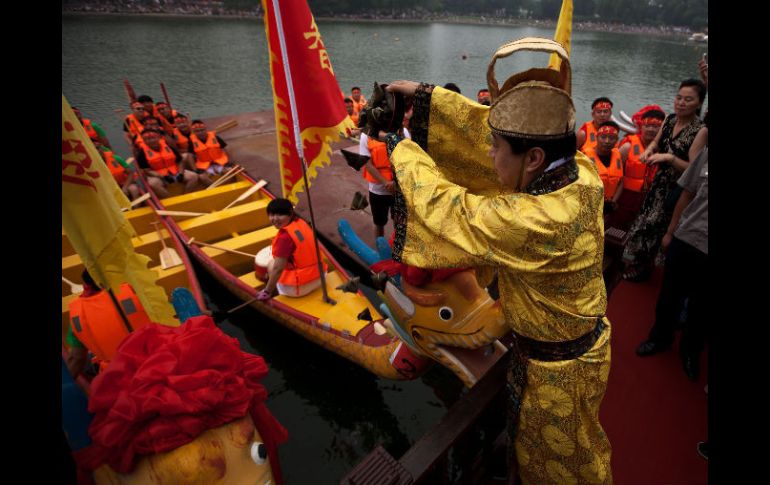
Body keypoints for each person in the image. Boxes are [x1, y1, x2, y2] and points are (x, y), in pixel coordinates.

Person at [381, 38, 612, 484]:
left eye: (496, 148)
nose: (487, 154)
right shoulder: (581, 172)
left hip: (555, 375)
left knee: (559, 468)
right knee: (578, 446)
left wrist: (402, 147)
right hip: (583, 348)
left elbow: (446, 210)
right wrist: (427, 95)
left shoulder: (535, 221)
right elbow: (486, 127)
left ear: (535, 158)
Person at [636, 114, 708, 382]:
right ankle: (659, 338)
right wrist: (670, 232)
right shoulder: (706, 155)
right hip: (688, 236)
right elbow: (687, 192)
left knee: (703, 307)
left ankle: (691, 353)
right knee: (670, 294)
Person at [621, 79, 707, 281]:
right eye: (679, 98)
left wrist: (669, 158)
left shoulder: (700, 130)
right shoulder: (669, 119)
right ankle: (639, 263)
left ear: (699, 103)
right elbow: (656, 142)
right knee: (644, 223)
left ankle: (646, 269)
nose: (681, 103)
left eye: (688, 99)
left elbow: (695, 171)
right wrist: (649, 151)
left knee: (659, 229)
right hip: (657, 184)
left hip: (677, 189)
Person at [65, 269, 152, 378]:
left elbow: (76, 358)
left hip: (117, 377)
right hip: (155, 362)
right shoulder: (134, 291)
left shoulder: (77, 314)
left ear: (86, 284)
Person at [256, 198, 327, 300]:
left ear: (290, 213)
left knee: (272, 264)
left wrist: (267, 291)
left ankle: (273, 291)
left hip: (299, 289)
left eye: (280, 215)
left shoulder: (284, 238)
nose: (275, 219)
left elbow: (278, 269)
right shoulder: (301, 222)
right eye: (271, 215)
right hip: (321, 277)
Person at [615, 107, 666, 230]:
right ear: (641, 126)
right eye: (647, 125)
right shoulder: (627, 146)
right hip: (625, 197)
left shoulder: (665, 149)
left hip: (650, 198)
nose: (651, 129)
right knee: (617, 229)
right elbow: (615, 174)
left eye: (656, 126)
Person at [359, 124, 411, 240]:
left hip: (399, 189)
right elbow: (367, 163)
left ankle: (398, 247)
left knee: (399, 222)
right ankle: (380, 246)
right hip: (377, 190)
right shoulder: (366, 134)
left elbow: (409, 158)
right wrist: (386, 183)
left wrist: (396, 182)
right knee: (379, 222)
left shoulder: (403, 132)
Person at [135, 128, 203, 197]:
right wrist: (162, 176)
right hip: (157, 175)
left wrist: (181, 173)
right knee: (153, 184)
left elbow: (179, 161)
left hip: (175, 171)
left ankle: (185, 196)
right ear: (144, 141)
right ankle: (170, 198)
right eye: (148, 139)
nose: (152, 141)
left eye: (153, 138)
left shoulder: (167, 146)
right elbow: (146, 170)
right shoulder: (142, 153)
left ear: (158, 137)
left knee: (193, 176)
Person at [582, 121, 624, 220]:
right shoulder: (585, 156)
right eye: (603, 137)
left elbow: (621, 182)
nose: (607, 141)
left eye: (611, 138)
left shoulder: (617, 155)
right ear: (597, 137)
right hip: (589, 206)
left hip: (609, 205)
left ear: (617, 140)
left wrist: (613, 202)